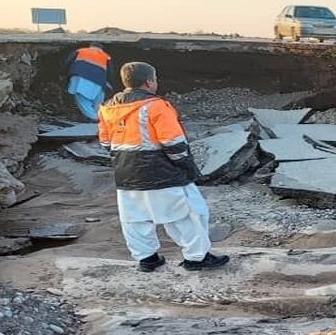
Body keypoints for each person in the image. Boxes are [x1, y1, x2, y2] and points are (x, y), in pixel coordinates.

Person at [97, 61, 229, 272]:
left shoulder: (107, 108)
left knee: (135, 218)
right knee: (188, 213)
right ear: (149, 82)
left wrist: (126, 158)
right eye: (155, 79)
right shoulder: (156, 106)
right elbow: (174, 143)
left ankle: (147, 259)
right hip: (162, 171)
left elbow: (106, 143)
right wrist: (187, 167)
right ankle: (196, 258)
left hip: (126, 173)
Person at [63, 43, 113, 120]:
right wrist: (108, 83)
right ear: (101, 49)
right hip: (99, 80)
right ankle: (99, 116)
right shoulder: (106, 56)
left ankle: (95, 118)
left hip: (80, 78)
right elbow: (110, 72)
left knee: (82, 98)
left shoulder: (80, 51)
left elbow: (68, 62)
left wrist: (64, 74)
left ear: (90, 46)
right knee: (97, 101)